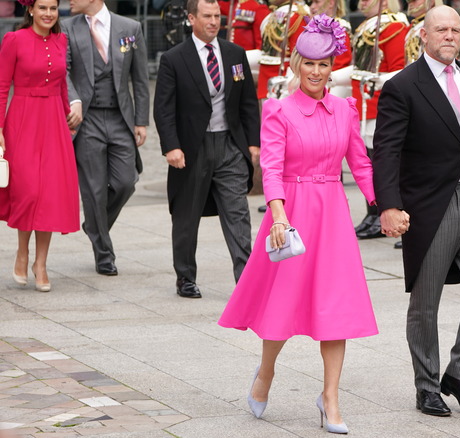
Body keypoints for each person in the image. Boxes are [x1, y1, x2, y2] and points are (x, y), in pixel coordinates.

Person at [218, 14, 378, 433]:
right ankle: (266, 371)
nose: (316, 71)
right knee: (282, 306)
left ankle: (330, 398)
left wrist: (387, 204)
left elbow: (360, 164)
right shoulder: (279, 109)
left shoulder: (344, 109)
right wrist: (278, 216)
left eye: (324, 64)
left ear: (331, 68)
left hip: (333, 215)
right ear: (295, 64)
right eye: (308, 63)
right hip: (291, 212)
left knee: (336, 307)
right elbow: (270, 168)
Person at [373, 5, 460, 417]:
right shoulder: (402, 86)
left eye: (455, 30)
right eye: (440, 30)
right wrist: (389, 206)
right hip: (430, 204)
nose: (449, 36)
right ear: (423, 36)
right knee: (426, 302)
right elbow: (386, 151)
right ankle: (427, 385)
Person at [154, 0, 259, 298]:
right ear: (191, 18)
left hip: (229, 145)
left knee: (238, 213)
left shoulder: (235, 54)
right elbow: (163, 109)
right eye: (208, 16)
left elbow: (248, 103)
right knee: (187, 215)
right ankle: (185, 277)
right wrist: (171, 147)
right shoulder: (174, 59)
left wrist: (253, 143)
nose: (214, 22)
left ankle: (247, 278)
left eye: (217, 17)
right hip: (192, 148)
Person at [63, 0, 150, 276]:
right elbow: (62, 73)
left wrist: (141, 120)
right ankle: (104, 254)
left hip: (119, 117)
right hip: (86, 120)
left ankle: (93, 225)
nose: (69, 1)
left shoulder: (130, 27)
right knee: (94, 190)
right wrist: (73, 99)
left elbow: (140, 77)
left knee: (126, 182)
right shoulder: (66, 28)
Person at [0, 0, 79, 292]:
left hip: (54, 123)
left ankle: (41, 264)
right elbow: (1, 84)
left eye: (53, 8)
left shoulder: (61, 40)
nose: (48, 13)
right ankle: (22, 252)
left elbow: (60, 84)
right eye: (42, 7)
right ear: (31, 10)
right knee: (28, 190)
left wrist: (66, 112)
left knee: (50, 193)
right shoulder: (14, 39)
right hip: (22, 120)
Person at [351, 0, 409, 240]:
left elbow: (399, 68)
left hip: (379, 103)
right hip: (364, 103)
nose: (361, 3)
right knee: (368, 163)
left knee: (380, 163)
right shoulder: (366, 27)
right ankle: (372, 211)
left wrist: (377, 80)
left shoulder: (394, 27)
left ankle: (381, 210)